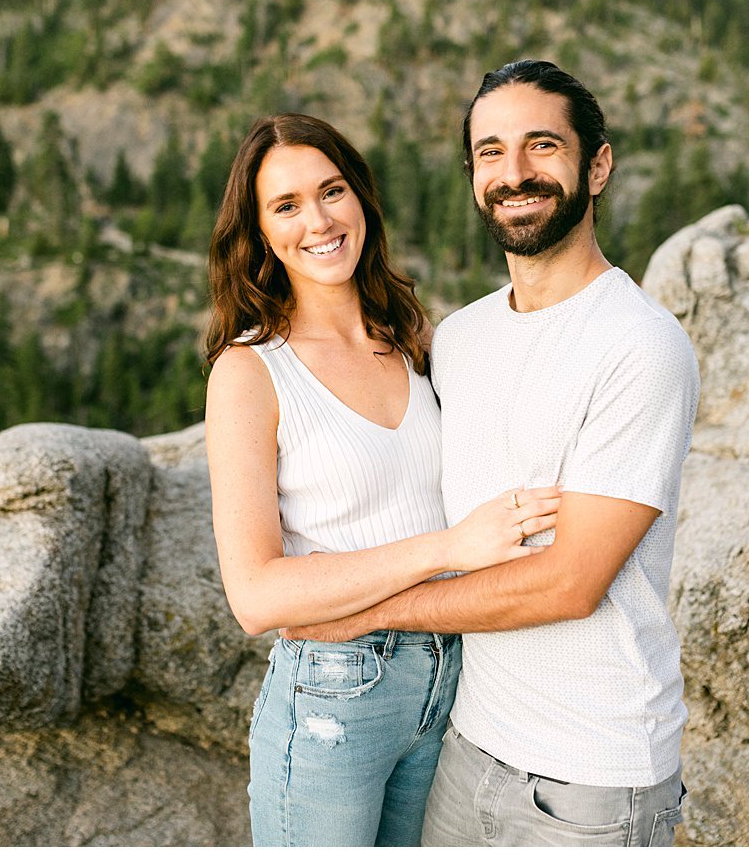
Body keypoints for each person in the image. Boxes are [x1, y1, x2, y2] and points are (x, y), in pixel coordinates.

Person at [286, 61, 701, 847]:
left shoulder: (639, 345)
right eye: (490, 152)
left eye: (543, 146)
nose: (514, 174)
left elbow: (569, 581)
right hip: (467, 746)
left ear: (598, 165)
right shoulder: (463, 338)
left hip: (592, 776)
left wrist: (362, 616)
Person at [202, 112, 560, 846]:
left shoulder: (409, 336)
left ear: (361, 198)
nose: (319, 220)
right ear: (261, 231)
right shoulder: (250, 372)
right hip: (332, 694)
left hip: (451, 681)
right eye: (288, 205)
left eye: (332, 190)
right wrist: (447, 546)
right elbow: (256, 594)